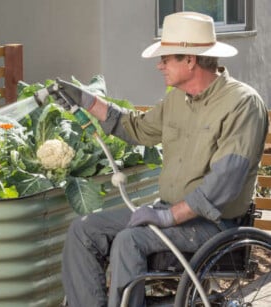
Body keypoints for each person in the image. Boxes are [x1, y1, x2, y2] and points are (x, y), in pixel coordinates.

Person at [55, 11, 268, 307]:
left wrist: (168, 216)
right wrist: (87, 101)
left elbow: (224, 184)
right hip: (167, 212)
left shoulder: (242, 104)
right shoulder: (176, 100)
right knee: (83, 230)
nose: (159, 65)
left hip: (213, 224)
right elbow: (136, 128)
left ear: (190, 60)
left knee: (130, 241)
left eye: (166, 58)